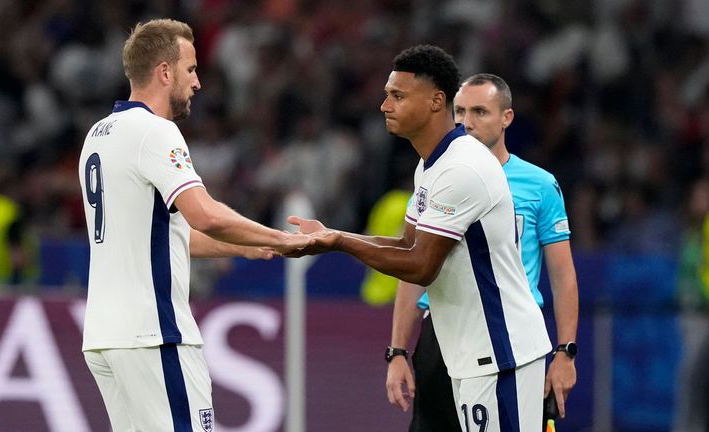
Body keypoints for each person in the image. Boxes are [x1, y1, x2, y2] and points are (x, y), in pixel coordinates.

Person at [288, 45, 552, 430]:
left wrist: (338, 243)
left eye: (397, 96)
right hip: (473, 352)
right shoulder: (431, 165)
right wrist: (334, 233)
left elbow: (421, 266)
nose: (384, 105)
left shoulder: (462, 168)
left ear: (436, 101)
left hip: (501, 353)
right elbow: (405, 245)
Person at [78, 18, 313, 431]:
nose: (198, 82)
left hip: (104, 337)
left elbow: (167, 235)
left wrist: (243, 246)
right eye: (190, 69)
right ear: (164, 72)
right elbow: (202, 213)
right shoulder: (156, 132)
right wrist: (283, 238)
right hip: (155, 334)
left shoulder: (98, 136)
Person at [386, 73, 580, 432]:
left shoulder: (539, 185)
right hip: (442, 335)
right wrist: (397, 351)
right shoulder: (435, 175)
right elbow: (413, 266)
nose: (466, 122)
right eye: (459, 111)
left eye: (480, 112)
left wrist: (565, 351)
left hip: (511, 341)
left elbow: (562, 274)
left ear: (506, 118)